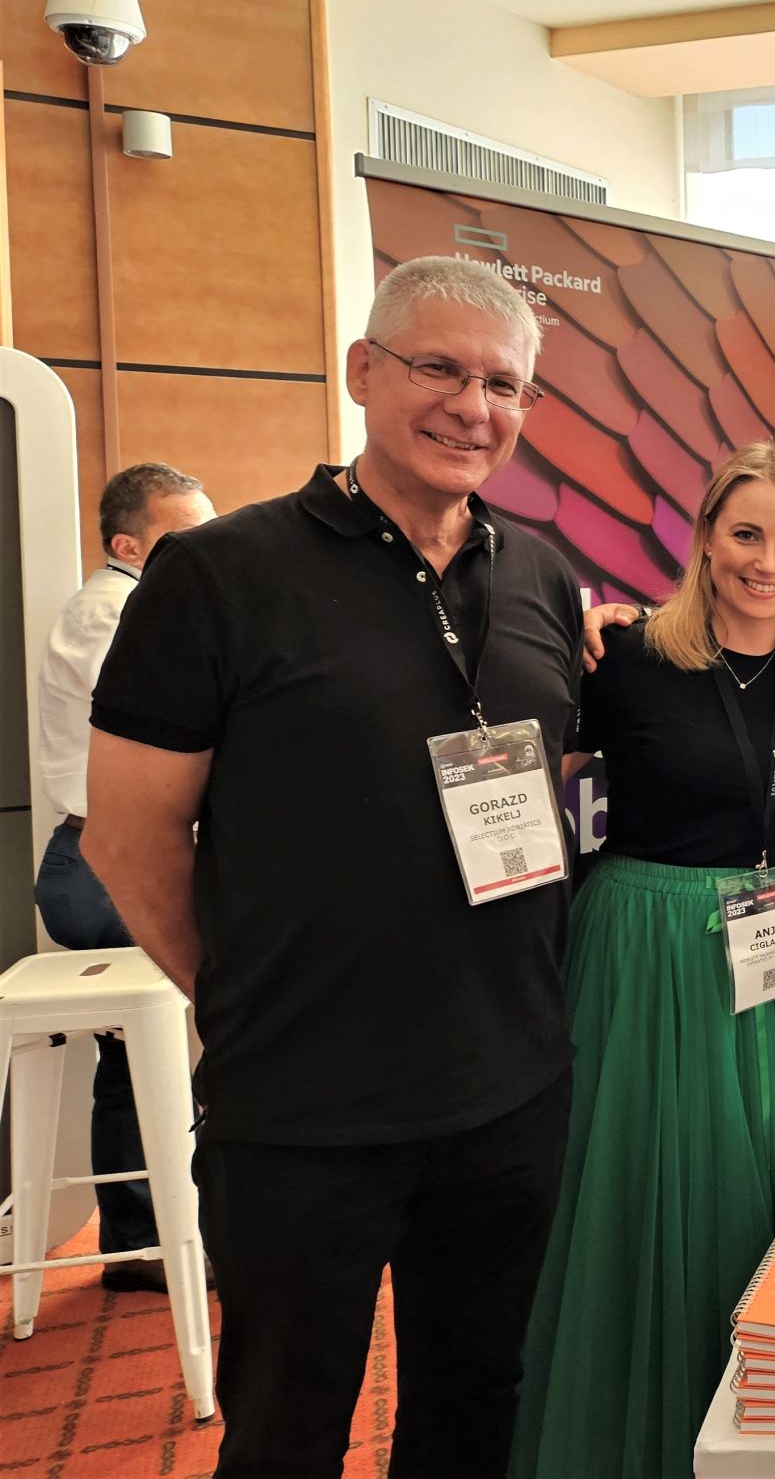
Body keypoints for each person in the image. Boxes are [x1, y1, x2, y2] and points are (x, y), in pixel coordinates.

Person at [82, 256, 583, 1478]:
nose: (474, 406)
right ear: (364, 373)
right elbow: (127, 833)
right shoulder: (221, 575)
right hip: (305, 1108)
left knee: (475, 1406)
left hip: (506, 1090)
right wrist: (239, 990)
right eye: (440, 369)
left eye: (504, 385)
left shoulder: (539, 576)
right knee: (288, 1428)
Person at [513, 442, 775, 1475]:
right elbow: (536, 792)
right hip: (646, 943)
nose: (768, 561)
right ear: (706, 538)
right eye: (745, 534)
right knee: (642, 1184)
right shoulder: (620, 657)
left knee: (772, 1177)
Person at [33, 462, 213, 1292]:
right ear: (128, 544)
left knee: (131, 1060)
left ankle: (145, 1233)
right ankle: (172, 1230)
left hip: (90, 858)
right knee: (216, 1025)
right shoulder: (118, 611)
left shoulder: (125, 603)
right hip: (104, 863)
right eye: (187, 537)